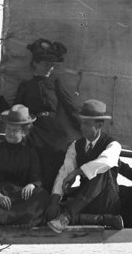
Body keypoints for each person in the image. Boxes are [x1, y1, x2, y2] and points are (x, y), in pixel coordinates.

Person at [7, 38, 82, 190]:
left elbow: (70, 107)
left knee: (59, 151)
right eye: (46, 64)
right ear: (35, 63)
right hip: (34, 129)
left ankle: (53, 193)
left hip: (54, 130)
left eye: (52, 65)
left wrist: (84, 127)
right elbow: (16, 110)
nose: (50, 68)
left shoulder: (55, 83)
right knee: (31, 153)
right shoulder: (25, 86)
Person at [45, 99, 123, 232]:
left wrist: (77, 172)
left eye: (87, 124)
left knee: (102, 171)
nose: (82, 127)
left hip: (106, 200)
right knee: (50, 209)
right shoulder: (76, 146)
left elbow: (106, 161)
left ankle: (66, 217)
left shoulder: (112, 145)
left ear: (99, 125)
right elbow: (65, 171)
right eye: (81, 122)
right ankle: (105, 219)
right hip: (84, 201)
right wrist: (55, 199)